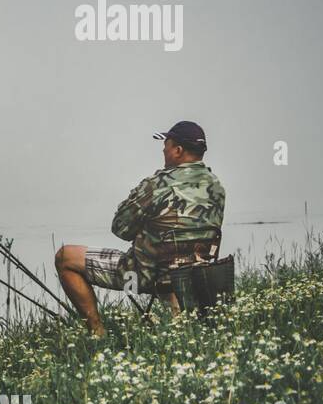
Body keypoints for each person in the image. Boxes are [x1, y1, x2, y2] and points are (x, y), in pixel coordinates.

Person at [55, 121, 225, 337]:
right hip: (198, 276)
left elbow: (121, 229)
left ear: (178, 150)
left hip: (145, 277)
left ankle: (97, 333)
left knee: (65, 258)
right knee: (175, 260)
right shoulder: (217, 187)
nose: (163, 149)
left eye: (166, 144)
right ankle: (178, 318)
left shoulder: (156, 184)